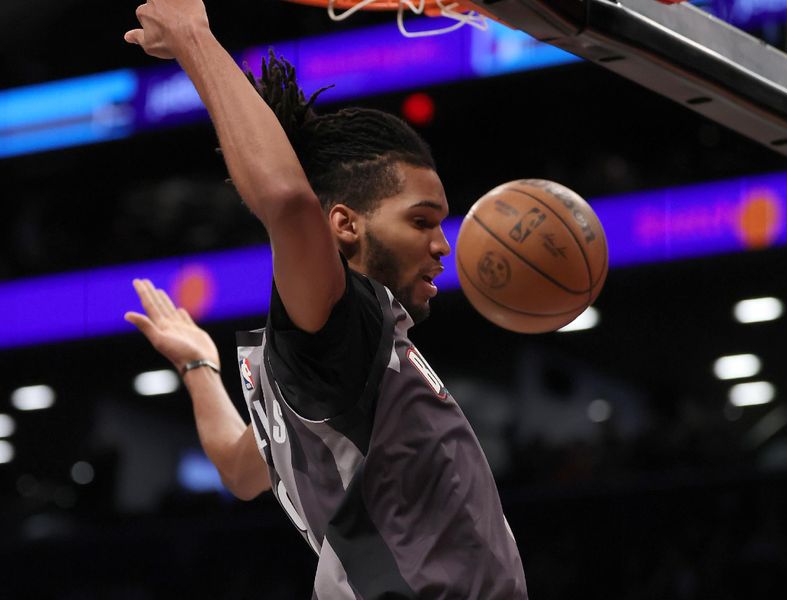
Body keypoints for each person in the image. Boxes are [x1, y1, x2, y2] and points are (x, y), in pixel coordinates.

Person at [123, 1, 528, 597]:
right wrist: (193, 38)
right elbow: (288, 202)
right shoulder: (343, 328)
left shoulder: (330, 363)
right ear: (343, 224)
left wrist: (198, 365)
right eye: (421, 221)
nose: (444, 245)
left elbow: (239, 471)